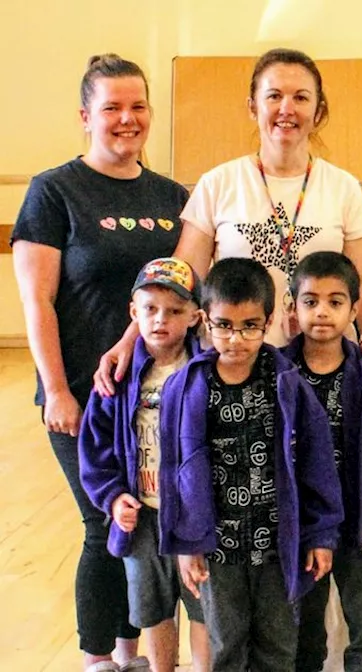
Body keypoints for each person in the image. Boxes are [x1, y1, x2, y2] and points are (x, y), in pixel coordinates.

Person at [11, 53, 187, 672]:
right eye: (111, 107)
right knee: (101, 521)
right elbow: (37, 301)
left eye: (137, 106)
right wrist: (57, 389)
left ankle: (132, 651)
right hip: (85, 397)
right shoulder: (54, 191)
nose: (126, 118)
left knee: (141, 524)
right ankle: (99, 660)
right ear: (86, 116)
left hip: (156, 399)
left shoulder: (173, 197)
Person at [95, 47, 362, 397]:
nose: (287, 109)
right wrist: (132, 338)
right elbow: (180, 278)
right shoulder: (218, 183)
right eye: (274, 96)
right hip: (233, 363)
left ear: (318, 110)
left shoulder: (343, 187)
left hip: (322, 361)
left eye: (300, 97)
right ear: (253, 106)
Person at [158, 257, 343, 671]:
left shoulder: (287, 383)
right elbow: (175, 474)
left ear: (270, 320)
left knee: (278, 646)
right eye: (224, 325)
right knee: (226, 645)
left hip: (279, 546)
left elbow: (317, 463)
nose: (236, 339)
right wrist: (186, 543)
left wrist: (322, 533)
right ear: (204, 320)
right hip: (219, 550)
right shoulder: (185, 388)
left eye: (250, 326)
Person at [78, 258, 209, 672]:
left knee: (203, 607)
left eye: (173, 311)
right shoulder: (116, 377)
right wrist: (114, 498)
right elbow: (95, 447)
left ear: (194, 316)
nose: (160, 320)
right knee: (152, 609)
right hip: (142, 520)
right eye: (150, 309)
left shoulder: (208, 372)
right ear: (133, 313)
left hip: (194, 517)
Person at [286, 252, 362, 672]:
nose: (322, 312)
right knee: (303, 627)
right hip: (302, 526)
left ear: (355, 310)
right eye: (310, 301)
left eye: (336, 302)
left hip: (359, 522)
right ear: (292, 307)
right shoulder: (279, 372)